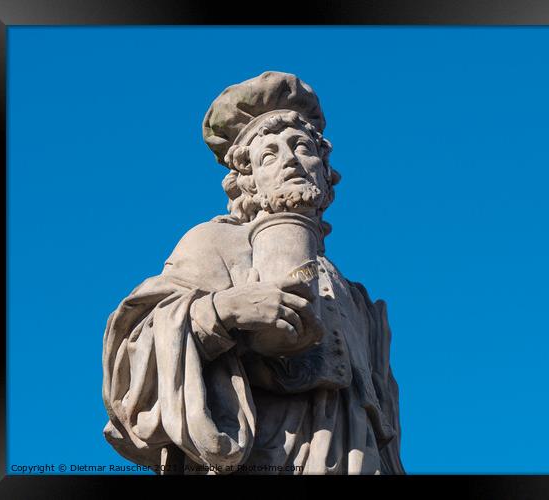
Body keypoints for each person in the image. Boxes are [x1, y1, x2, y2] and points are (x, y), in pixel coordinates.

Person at [102, 71, 405, 474]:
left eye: (302, 147)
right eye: (269, 155)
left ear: (325, 172)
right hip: (263, 455)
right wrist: (223, 311)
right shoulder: (214, 242)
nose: (290, 161)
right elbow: (136, 344)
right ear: (248, 183)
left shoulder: (356, 298)